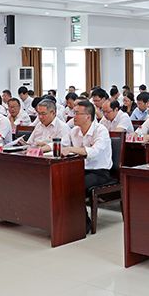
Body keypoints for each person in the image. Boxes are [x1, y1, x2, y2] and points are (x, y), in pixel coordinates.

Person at [61, 99, 112, 233]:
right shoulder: (74, 131)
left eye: (77, 113)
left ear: (88, 117)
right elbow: (62, 146)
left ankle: (84, 224)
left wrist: (71, 149)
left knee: (75, 185)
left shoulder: (101, 130)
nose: (74, 116)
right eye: (74, 113)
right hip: (80, 170)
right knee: (59, 182)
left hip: (100, 172)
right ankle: (66, 221)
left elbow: (94, 152)